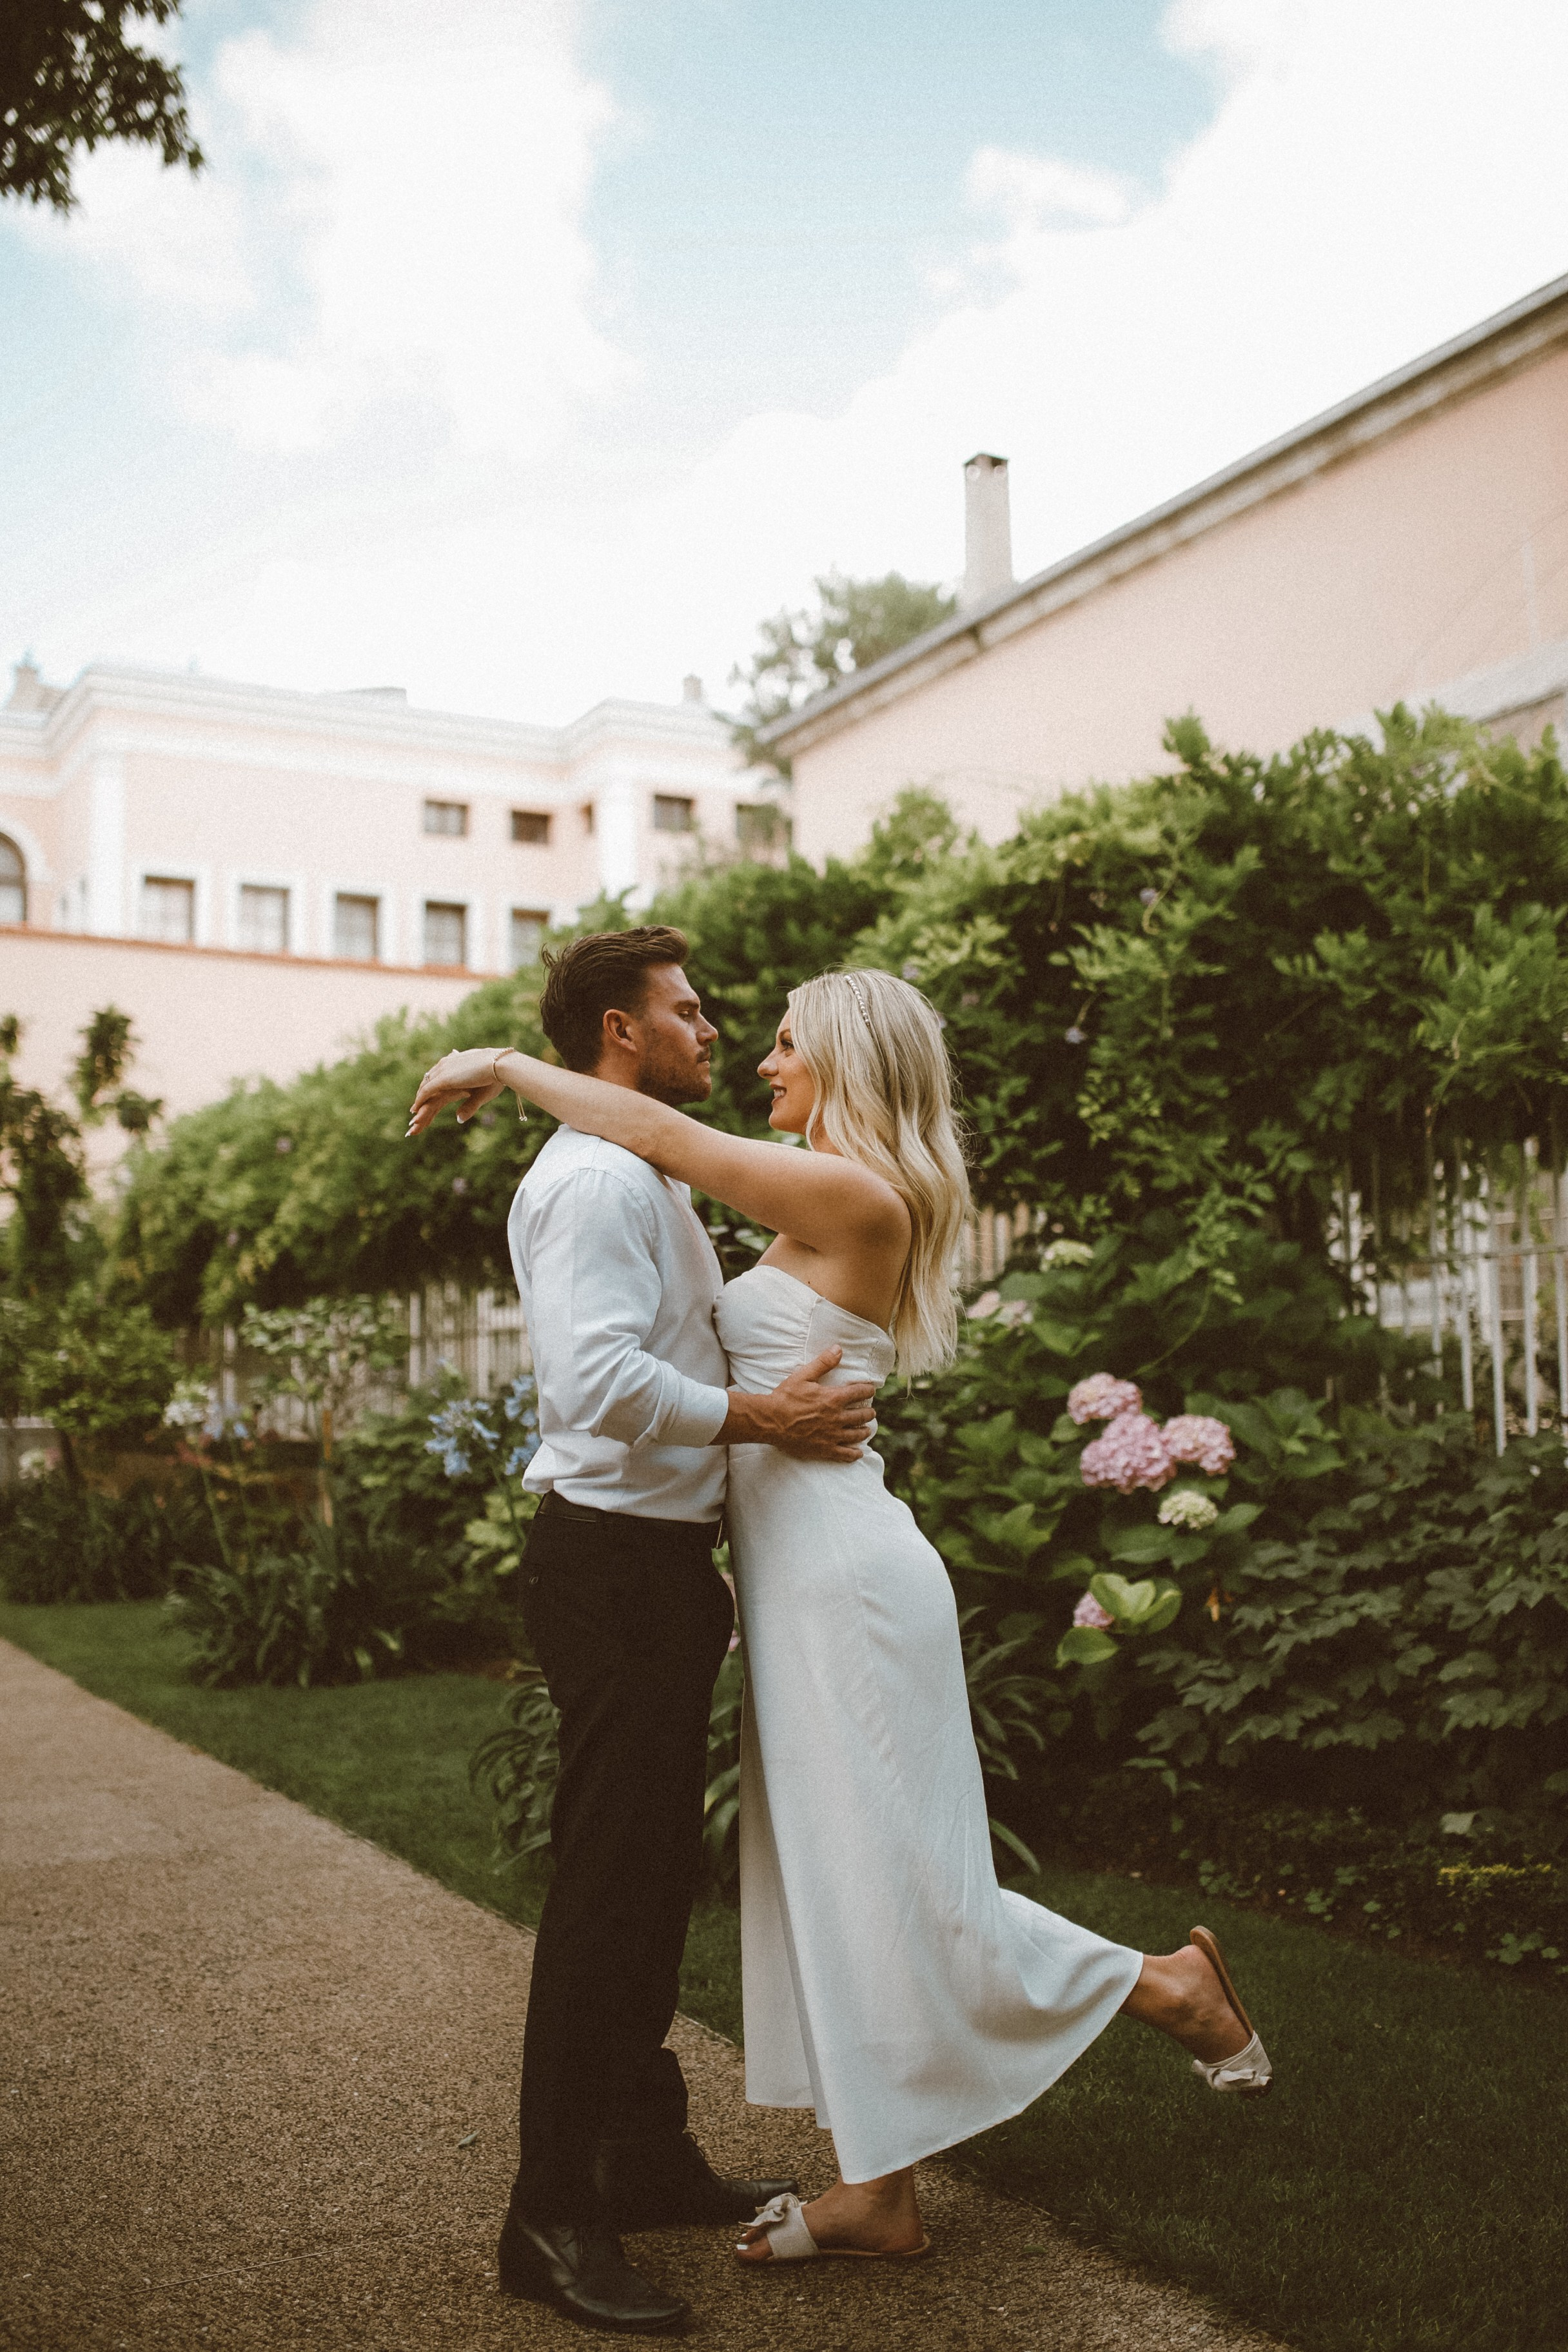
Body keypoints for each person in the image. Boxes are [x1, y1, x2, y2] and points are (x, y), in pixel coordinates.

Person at [409, 954, 1274, 2288]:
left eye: (783, 1041)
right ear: (625, 1028)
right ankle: (879, 2191)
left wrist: (508, 1066)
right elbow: (651, 1185)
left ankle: (1161, 1986)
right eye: (715, 1021)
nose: (754, 1055)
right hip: (790, 1575)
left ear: (849, 1064)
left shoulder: (848, 1190)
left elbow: (662, 1137)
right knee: (844, 1874)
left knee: (901, 1874)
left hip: (841, 1582)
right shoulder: (795, 1183)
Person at [407, 929, 878, 2335]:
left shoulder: (642, 1167)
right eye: (688, 1009)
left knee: (648, 1883)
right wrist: (762, 1417)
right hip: (611, 1571)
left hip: (653, 1572)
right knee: (607, 1896)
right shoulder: (600, 1182)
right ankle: (549, 2218)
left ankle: (641, 2154)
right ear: (620, 1031)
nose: (713, 1029)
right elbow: (595, 1385)